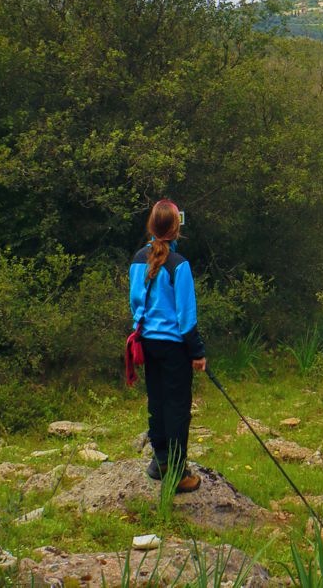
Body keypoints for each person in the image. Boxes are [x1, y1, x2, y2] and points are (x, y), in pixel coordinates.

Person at [129, 199, 207, 492]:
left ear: (152, 226)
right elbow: (186, 317)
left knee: (157, 401)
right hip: (174, 346)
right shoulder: (179, 264)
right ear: (176, 229)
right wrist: (197, 352)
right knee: (177, 407)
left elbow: (135, 303)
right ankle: (177, 471)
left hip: (148, 343)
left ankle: (160, 461)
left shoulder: (138, 259)